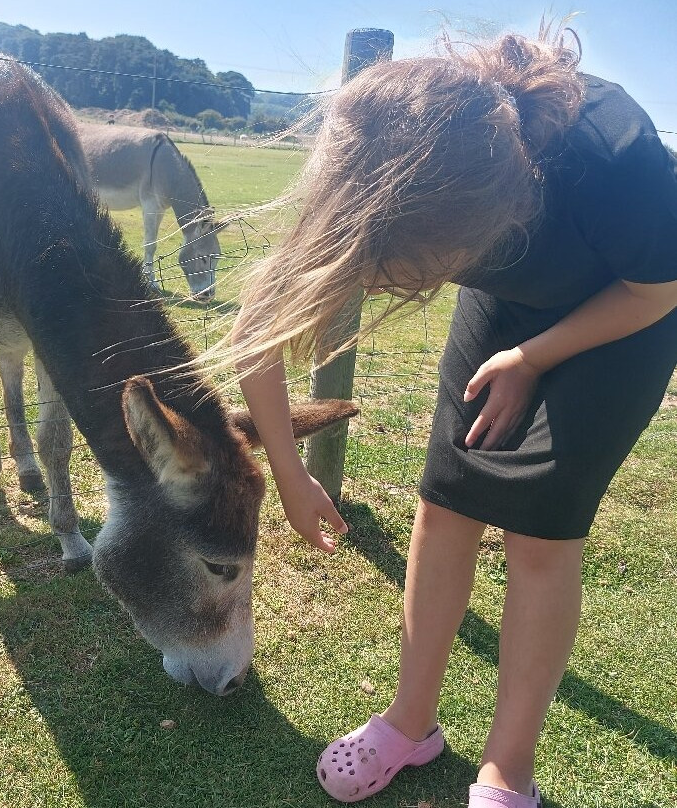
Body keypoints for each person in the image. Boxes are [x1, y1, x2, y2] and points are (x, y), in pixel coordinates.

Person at [228, 22, 677, 808]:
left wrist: (534, 359)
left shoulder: (618, 157)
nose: (378, 288)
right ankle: (410, 722)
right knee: (446, 500)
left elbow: (658, 291)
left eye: (397, 277)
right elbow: (255, 333)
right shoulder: (386, 163)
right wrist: (292, 476)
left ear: (470, 227)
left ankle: (508, 771)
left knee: (540, 536)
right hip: (507, 290)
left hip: (624, 310)